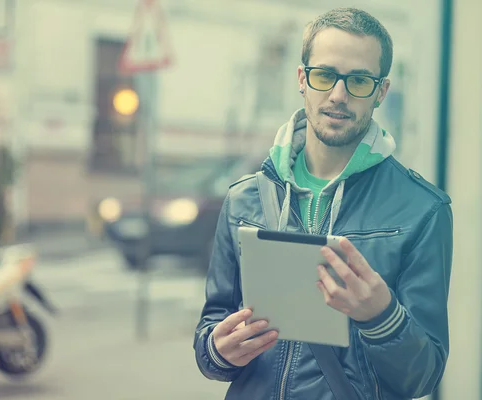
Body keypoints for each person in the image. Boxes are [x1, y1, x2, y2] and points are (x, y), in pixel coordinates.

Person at [193, 7, 453, 400]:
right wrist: (217, 350)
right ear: (303, 79)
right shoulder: (243, 198)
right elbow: (211, 332)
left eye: (359, 80)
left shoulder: (422, 211)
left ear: (381, 91)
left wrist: (383, 317)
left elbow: (423, 379)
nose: (338, 95)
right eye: (325, 75)